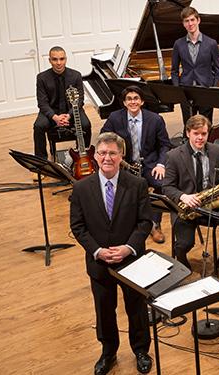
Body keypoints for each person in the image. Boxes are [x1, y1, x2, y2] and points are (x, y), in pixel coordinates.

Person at [69, 132, 152, 375]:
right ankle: (108, 352)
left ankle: (141, 350)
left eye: (112, 153)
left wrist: (128, 248)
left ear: (121, 156)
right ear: (95, 155)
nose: (107, 158)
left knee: (136, 308)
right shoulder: (81, 187)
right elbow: (78, 226)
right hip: (99, 263)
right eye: (103, 153)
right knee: (104, 310)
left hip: (131, 260)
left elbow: (145, 222)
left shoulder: (137, 185)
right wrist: (97, 251)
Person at [162, 115, 219, 280]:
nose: (200, 138)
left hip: (213, 203)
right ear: (188, 133)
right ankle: (181, 259)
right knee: (185, 243)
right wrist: (183, 196)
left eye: (204, 134)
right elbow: (167, 187)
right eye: (196, 133)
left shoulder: (217, 151)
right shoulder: (174, 156)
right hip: (187, 207)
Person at [100, 85, 172, 244]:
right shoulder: (114, 118)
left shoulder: (155, 119)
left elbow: (165, 145)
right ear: (124, 103)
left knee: (161, 183)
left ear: (142, 101)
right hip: (124, 164)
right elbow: (103, 138)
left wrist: (161, 164)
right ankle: (123, 224)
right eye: (129, 99)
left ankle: (154, 224)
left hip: (149, 163)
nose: (133, 102)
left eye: (136, 98)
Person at [34, 46, 92, 167]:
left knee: (86, 124)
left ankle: (83, 156)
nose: (59, 63)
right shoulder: (42, 78)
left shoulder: (76, 75)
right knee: (38, 126)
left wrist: (69, 115)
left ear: (66, 59)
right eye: (55, 59)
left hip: (72, 110)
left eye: (62, 59)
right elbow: (42, 103)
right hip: (51, 111)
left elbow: (80, 100)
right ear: (50, 60)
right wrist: (55, 117)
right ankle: (40, 163)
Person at [171, 6, 219, 126]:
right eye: (186, 21)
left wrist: (213, 89)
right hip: (186, 91)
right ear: (183, 24)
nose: (190, 24)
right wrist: (178, 90)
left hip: (206, 91)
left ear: (198, 20)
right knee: (189, 126)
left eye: (192, 20)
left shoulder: (211, 43)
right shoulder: (178, 44)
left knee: (206, 125)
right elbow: (174, 71)